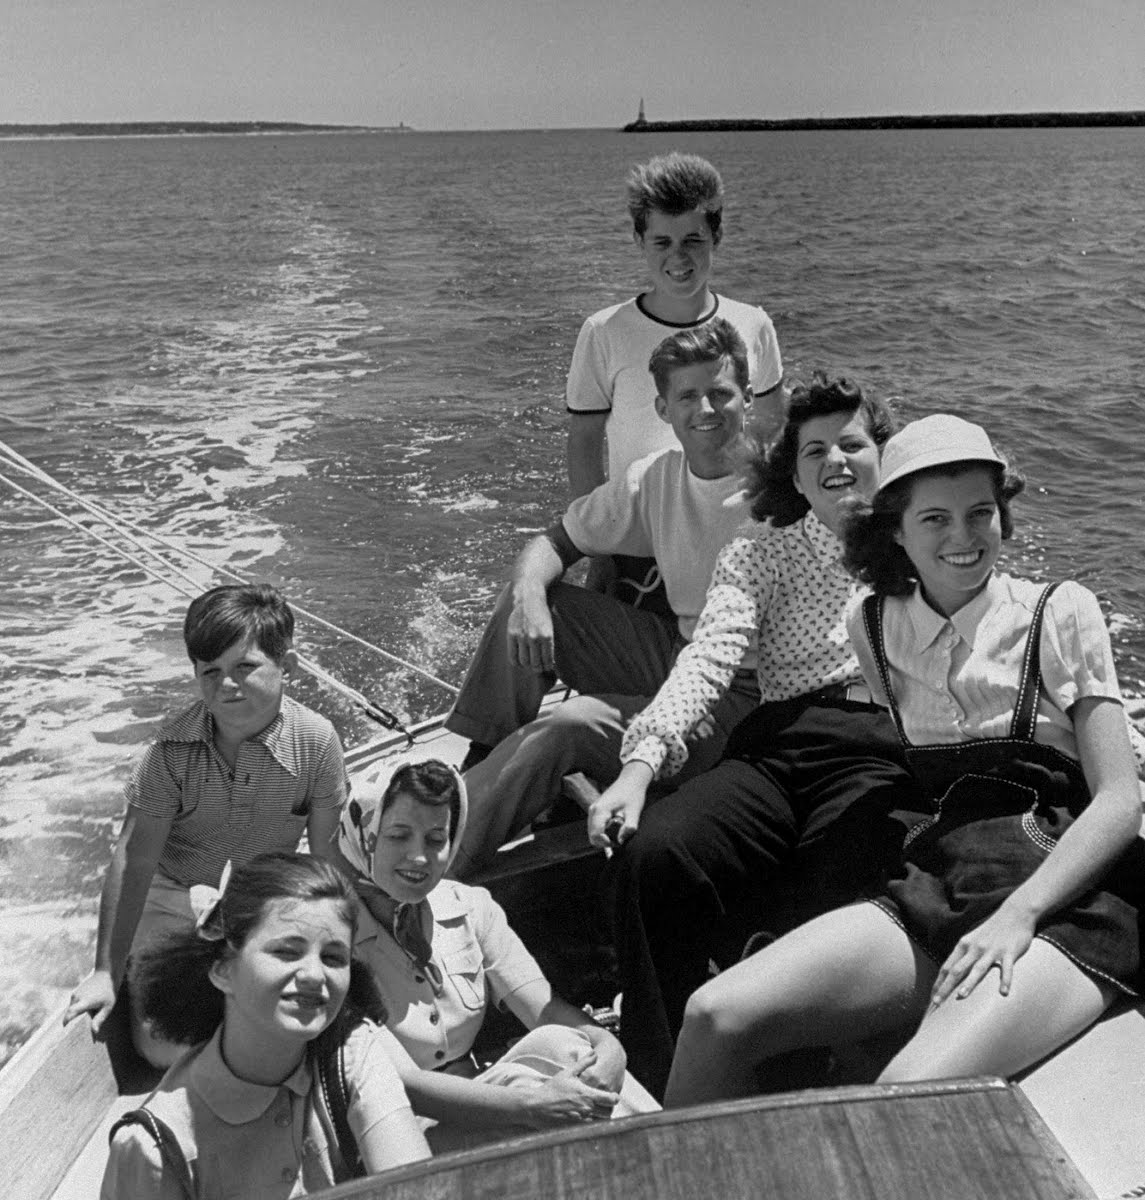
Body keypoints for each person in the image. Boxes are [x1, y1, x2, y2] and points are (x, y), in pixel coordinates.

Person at [664, 414, 1143, 1108]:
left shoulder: (1058, 613)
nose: (963, 537)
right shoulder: (873, 625)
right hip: (942, 880)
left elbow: (1120, 803)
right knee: (714, 1017)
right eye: (935, 519)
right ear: (894, 528)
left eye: (981, 513)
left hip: (1067, 900)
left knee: (899, 1096)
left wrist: (1018, 915)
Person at [587, 375, 927, 1099]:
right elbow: (708, 656)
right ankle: (656, 1073)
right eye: (813, 451)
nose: (834, 460)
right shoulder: (759, 553)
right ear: (794, 475)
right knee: (655, 853)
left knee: (849, 870)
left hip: (885, 744)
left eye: (851, 443)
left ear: (883, 455)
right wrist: (640, 766)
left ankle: (807, 1075)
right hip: (782, 744)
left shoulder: (922, 546)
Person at [444, 319, 762, 876]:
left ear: (748, 398)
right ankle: (486, 754)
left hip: (748, 697)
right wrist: (529, 598)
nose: (706, 409)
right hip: (677, 653)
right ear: (663, 410)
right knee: (536, 600)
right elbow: (553, 542)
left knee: (569, 726)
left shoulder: (783, 490)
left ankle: (428, 869)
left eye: (720, 393)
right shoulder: (657, 479)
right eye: (687, 396)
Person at [66, 584, 350, 1066]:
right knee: (164, 1050)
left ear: (289, 667)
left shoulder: (318, 743)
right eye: (211, 672)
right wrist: (104, 974)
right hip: (173, 893)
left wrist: (343, 953)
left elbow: (326, 859)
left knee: (305, 1022)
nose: (227, 686)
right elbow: (134, 862)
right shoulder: (167, 755)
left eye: (245, 667)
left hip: (262, 900)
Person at [339, 755, 657, 1149]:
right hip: (398, 1129)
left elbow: (546, 1011)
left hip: (491, 1100)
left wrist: (611, 1048)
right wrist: (532, 1103)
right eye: (398, 835)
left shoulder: (471, 907)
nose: (420, 858)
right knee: (547, 1097)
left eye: (436, 840)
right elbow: (404, 1084)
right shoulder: (334, 939)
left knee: (566, 1045)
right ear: (364, 835)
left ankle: (668, 1158)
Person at [101, 852, 430, 1198]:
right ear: (223, 970)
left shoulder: (351, 1056)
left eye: (333, 957)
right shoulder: (156, 1148)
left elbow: (420, 1191)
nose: (314, 975)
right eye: (287, 952)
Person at [566, 151, 784, 606]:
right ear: (639, 241)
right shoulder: (604, 332)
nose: (679, 257)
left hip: (736, 549)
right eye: (662, 242)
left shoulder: (754, 325)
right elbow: (584, 443)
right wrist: (599, 547)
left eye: (693, 240)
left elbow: (771, 433)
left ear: (716, 237)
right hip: (638, 549)